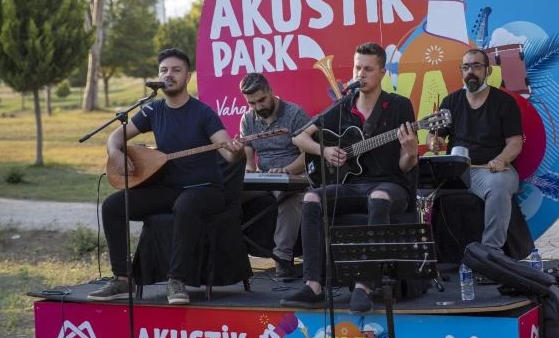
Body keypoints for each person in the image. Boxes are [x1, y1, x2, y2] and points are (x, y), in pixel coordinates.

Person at [88, 48, 244, 305]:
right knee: (113, 206)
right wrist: (115, 153)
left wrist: (236, 152)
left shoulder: (203, 113)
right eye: (164, 70)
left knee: (186, 205)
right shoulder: (153, 110)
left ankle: (177, 280)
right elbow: (115, 137)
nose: (168, 75)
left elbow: (228, 153)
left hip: (206, 190)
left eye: (176, 70)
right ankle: (123, 279)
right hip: (169, 189)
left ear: (188, 77)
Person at [280, 42, 419, 314]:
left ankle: (364, 286)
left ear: (382, 73)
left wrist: (411, 152)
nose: (361, 74)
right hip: (351, 185)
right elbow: (299, 137)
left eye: (368, 69)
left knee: (379, 197)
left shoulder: (399, 105)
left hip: (391, 185)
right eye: (357, 68)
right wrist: (325, 151)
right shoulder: (343, 107)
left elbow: (406, 165)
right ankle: (313, 286)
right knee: (311, 198)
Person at [427, 48, 523, 251]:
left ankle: (490, 253)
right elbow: (434, 135)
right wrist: (433, 142)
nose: (470, 71)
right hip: (456, 172)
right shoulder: (450, 102)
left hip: (490, 171)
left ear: (488, 71)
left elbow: (515, 142)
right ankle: (429, 253)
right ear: (461, 71)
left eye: (477, 66)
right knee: (420, 189)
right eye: (466, 67)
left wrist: (501, 160)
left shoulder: (504, 102)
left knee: (498, 186)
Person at [238, 72, 311, 278]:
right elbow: (249, 154)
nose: (258, 107)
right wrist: (249, 172)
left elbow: (308, 154)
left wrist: (287, 170)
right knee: (227, 195)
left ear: (270, 91)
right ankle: (233, 259)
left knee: (290, 197)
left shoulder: (295, 114)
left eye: (261, 100)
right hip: (263, 178)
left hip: (294, 176)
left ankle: (282, 260)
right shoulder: (247, 119)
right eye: (252, 103)